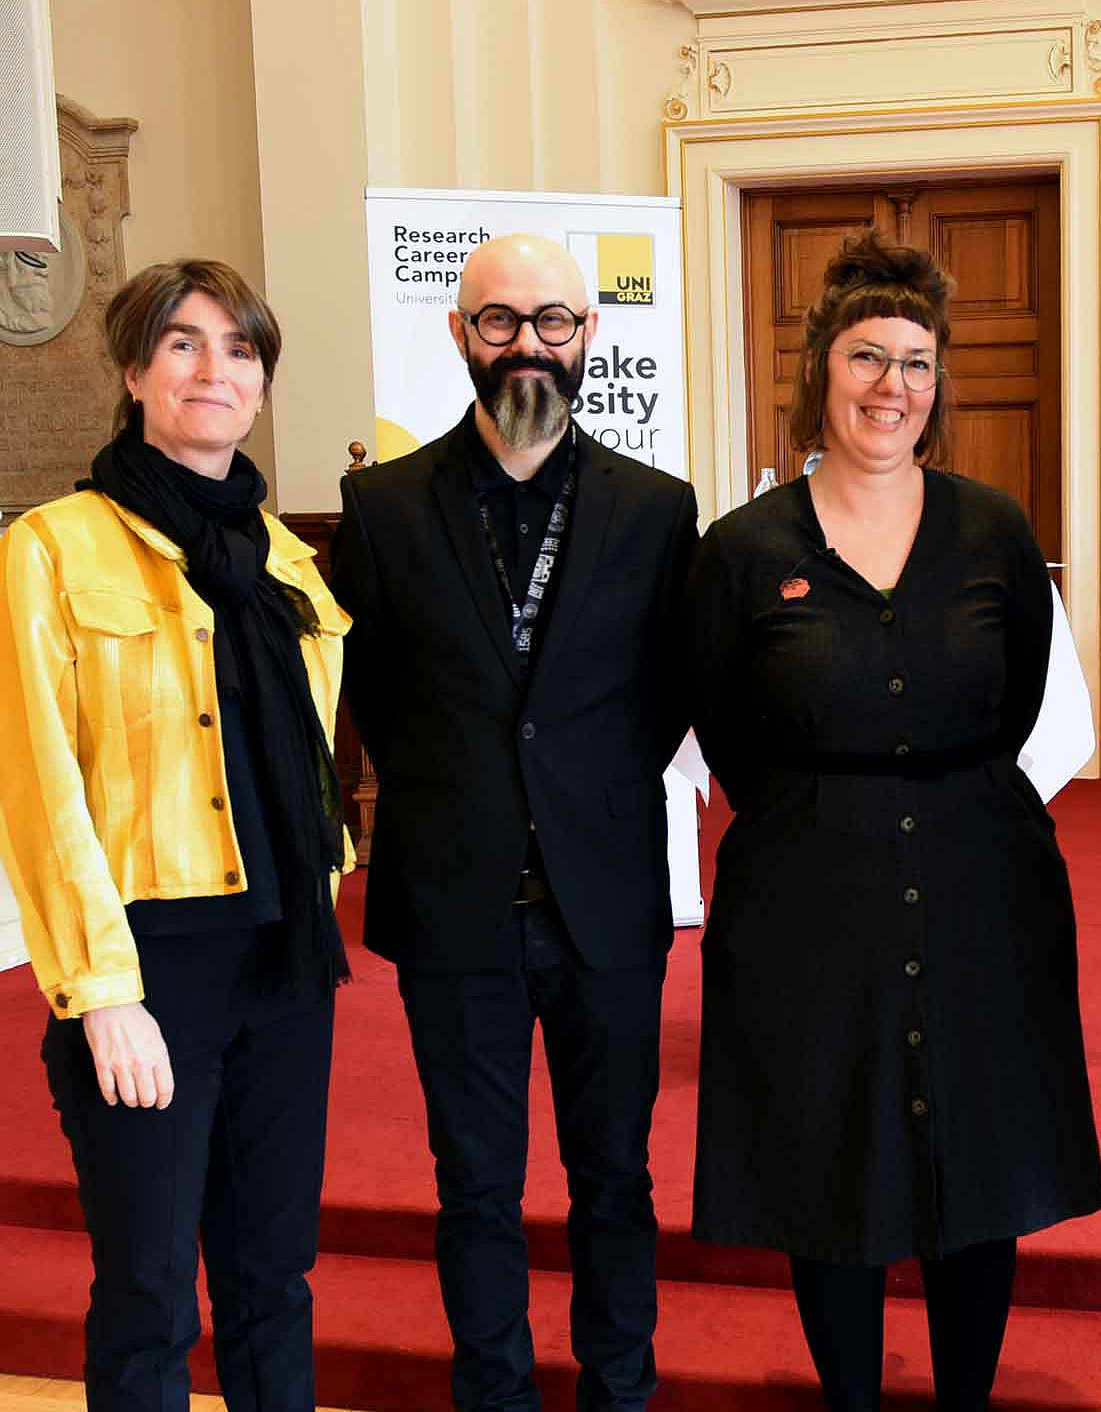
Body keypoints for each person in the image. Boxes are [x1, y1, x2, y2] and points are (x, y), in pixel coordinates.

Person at [686, 231, 1101, 1411]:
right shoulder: (744, 549)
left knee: (979, 1155)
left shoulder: (994, 530)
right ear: (821, 370)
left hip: (984, 882)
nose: (892, 386)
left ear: (939, 383)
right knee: (832, 1156)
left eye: (917, 363)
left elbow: (1019, 702)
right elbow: (724, 725)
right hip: (806, 890)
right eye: (867, 357)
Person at [329, 233, 698, 1412]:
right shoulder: (382, 507)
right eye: (500, 321)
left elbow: (666, 693)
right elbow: (376, 698)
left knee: (616, 1179)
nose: (527, 343)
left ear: (590, 336)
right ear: (460, 334)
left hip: (606, 902)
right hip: (455, 902)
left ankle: (619, 1391)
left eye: (553, 320)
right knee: (476, 1187)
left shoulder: (657, 509)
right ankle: (494, 1394)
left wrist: (577, 791)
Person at [0, 258, 354, 1410]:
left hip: (285, 960)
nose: (215, 369)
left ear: (262, 381)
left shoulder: (286, 559)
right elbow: (38, 782)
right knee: (150, 1294)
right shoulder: (52, 547)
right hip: (151, 966)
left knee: (273, 1280)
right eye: (184, 343)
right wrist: (102, 991)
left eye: (241, 348)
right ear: (134, 371)